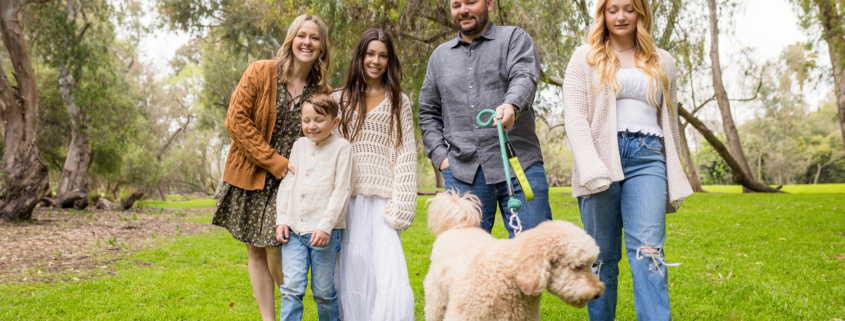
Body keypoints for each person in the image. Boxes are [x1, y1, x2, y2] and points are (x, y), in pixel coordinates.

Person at [562, 0, 694, 320]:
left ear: (641, 13)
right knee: (601, 259)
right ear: (603, 15)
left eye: (629, 9)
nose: (620, 16)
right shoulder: (585, 57)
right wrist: (590, 165)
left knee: (648, 253)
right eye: (612, 9)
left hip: (648, 157)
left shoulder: (664, 61)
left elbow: (670, 123)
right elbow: (575, 116)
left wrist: (674, 174)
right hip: (600, 158)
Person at [211, 14, 332, 321]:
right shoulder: (260, 72)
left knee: (279, 249)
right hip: (253, 173)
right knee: (256, 248)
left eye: (314, 38)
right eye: (302, 35)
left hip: (290, 182)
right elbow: (235, 121)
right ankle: (269, 318)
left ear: (322, 46)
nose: (307, 42)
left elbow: (324, 135)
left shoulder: (321, 90)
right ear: (291, 39)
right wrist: (273, 162)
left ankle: (290, 303)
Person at [418, 0, 552, 238]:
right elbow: (428, 112)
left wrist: (511, 105)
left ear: (489, 4)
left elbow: (524, 76)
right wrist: (441, 159)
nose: (463, 10)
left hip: (519, 166)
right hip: (463, 173)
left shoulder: (514, 39)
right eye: (456, 4)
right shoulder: (439, 57)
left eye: (471, 2)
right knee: (465, 263)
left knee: (536, 254)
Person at [330, 29, 417, 321]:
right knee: (350, 272)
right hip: (345, 201)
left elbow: (406, 151)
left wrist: (403, 202)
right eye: (370, 54)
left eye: (383, 55)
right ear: (360, 56)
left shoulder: (398, 101)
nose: (376, 61)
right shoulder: (336, 99)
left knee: (386, 275)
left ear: (390, 60)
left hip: (383, 202)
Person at [275, 94, 352, 321]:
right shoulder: (299, 145)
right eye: (306, 120)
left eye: (319, 120)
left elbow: (342, 191)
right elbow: (288, 183)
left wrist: (325, 226)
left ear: (334, 122)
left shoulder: (342, 148)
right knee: (291, 289)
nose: (311, 126)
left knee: (323, 293)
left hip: (324, 235)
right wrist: (282, 219)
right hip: (295, 233)